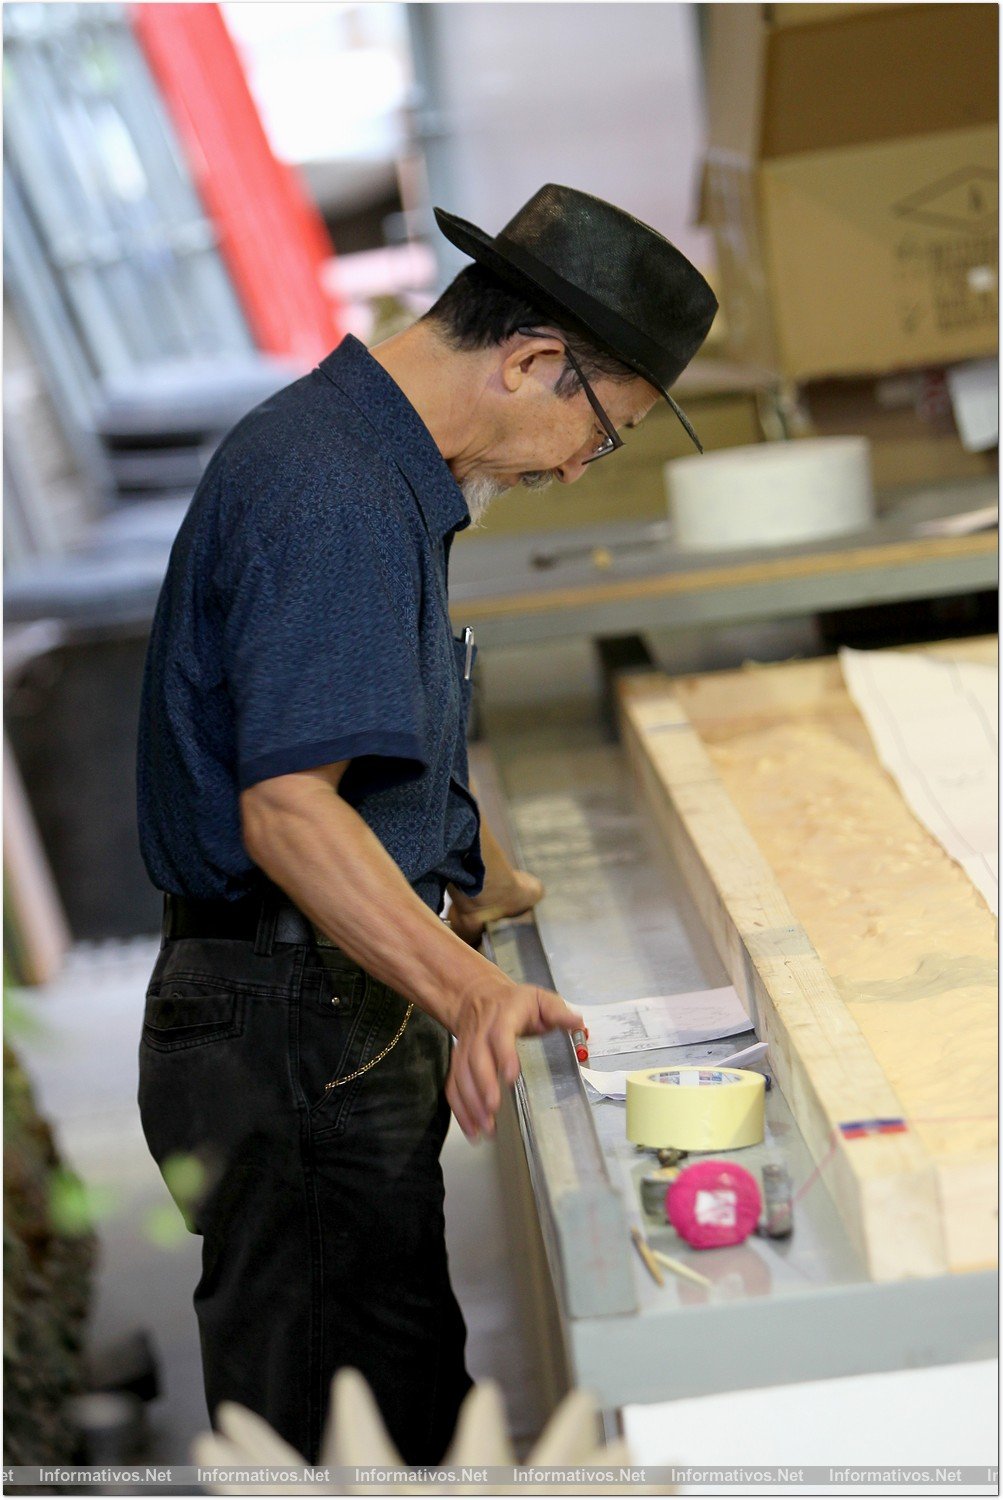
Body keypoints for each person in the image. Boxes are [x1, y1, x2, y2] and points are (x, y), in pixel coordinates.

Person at [135, 184, 717, 1465]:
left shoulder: (364, 461)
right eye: (599, 435)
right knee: (340, 1439)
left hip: (303, 1006)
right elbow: (289, 812)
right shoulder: (336, 492)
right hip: (287, 1020)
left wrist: (481, 874)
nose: (575, 469)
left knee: (381, 1395)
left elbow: (369, 751)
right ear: (530, 361)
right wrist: (470, 995)